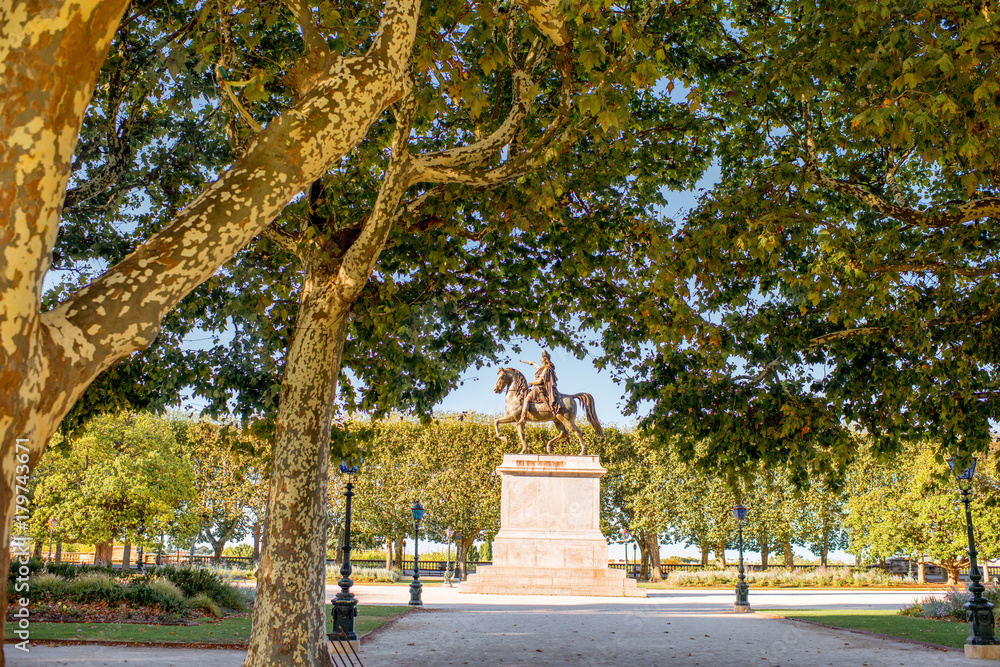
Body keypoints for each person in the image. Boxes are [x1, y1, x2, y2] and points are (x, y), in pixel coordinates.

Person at [518, 351, 561, 423]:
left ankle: (523, 418)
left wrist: (531, 382)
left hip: (540, 389)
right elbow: (539, 368)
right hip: (539, 388)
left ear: (545, 359)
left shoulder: (546, 369)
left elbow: (539, 381)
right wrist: (532, 363)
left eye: (541, 358)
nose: (540, 359)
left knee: (527, 399)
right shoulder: (546, 368)